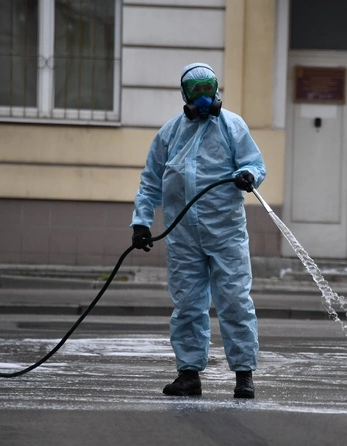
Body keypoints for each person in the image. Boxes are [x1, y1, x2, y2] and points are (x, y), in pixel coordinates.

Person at [130, 62, 266, 399]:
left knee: (235, 302)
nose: (204, 97)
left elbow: (254, 163)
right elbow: (150, 182)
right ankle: (188, 374)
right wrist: (141, 222)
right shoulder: (169, 133)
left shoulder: (232, 126)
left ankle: (244, 375)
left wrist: (248, 175)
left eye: (209, 89)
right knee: (187, 304)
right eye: (197, 91)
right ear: (185, 94)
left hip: (226, 233)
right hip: (183, 236)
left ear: (216, 90)